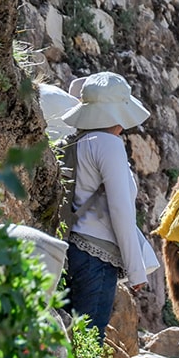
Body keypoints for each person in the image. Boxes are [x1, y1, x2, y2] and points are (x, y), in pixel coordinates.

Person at [59, 71, 156, 341]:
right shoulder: (108, 144)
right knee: (88, 340)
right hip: (98, 258)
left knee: (68, 336)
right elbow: (121, 211)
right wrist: (136, 271)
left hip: (73, 249)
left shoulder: (77, 141)